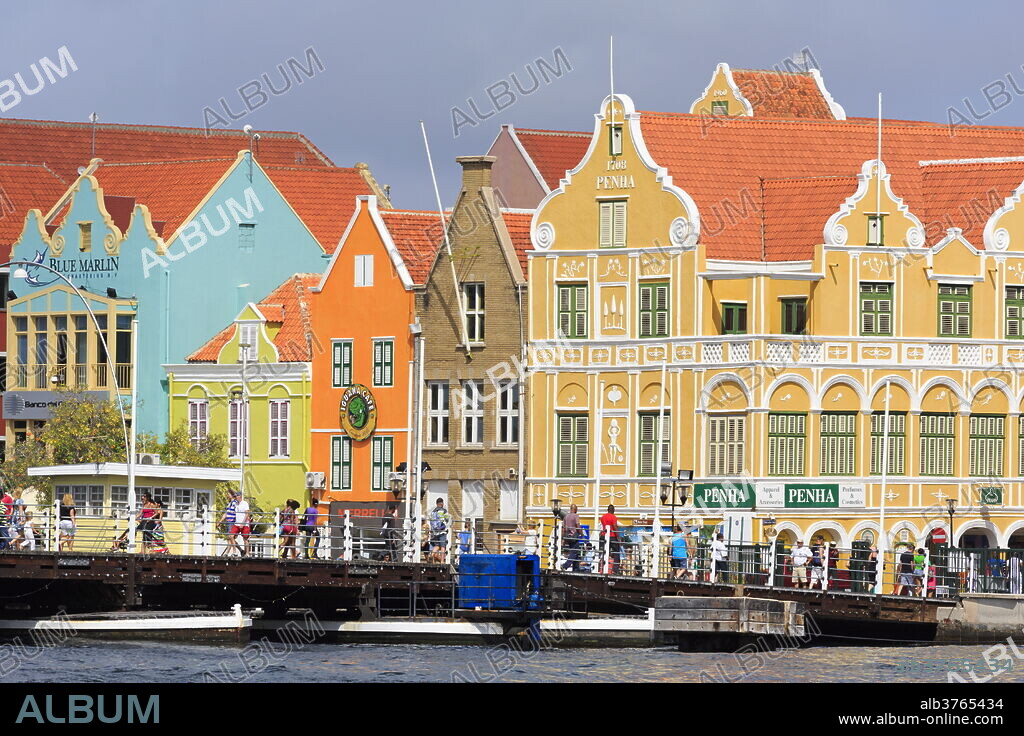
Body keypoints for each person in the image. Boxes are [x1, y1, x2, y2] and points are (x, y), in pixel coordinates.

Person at [428, 498, 451, 563]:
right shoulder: (444, 510)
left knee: (437, 545)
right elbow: (447, 519)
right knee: (443, 546)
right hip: (442, 531)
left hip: (435, 532)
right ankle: (442, 561)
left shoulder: (433, 511)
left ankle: (432, 555)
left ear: (436, 503)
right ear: (442, 503)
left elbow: (431, 521)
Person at [561, 504, 582, 571]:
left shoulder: (566, 516)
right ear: (575, 509)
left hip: (567, 536)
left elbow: (563, 528)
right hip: (574, 536)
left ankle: (576, 569)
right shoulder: (576, 516)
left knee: (575, 552)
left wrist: (563, 538)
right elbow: (578, 526)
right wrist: (582, 534)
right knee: (574, 552)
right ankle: (565, 566)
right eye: (576, 509)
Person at [599, 505, 620, 573]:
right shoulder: (613, 517)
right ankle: (615, 569)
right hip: (612, 536)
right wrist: (618, 536)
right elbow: (614, 526)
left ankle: (601, 568)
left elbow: (603, 526)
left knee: (604, 552)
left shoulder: (602, 517)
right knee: (616, 552)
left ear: (607, 510)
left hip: (603, 536)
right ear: (613, 510)